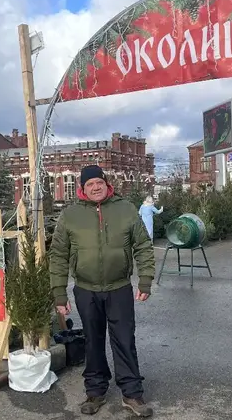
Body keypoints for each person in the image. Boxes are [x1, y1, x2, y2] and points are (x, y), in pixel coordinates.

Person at [49, 164, 155, 417]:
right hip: (86, 290)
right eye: (89, 184)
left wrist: (145, 280)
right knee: (93, 342)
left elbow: (142, 245)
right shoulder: (71, 215)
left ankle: (132, 394)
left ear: (106, 184)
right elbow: (58, 255)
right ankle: (95, 392)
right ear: (82, 189)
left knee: (125, 340)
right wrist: (59, 293)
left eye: (99, 182)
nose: (95, 187)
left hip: (119, 288)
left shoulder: (126, 209)